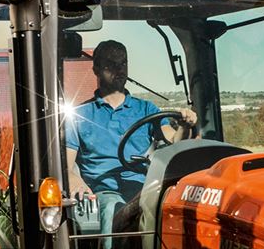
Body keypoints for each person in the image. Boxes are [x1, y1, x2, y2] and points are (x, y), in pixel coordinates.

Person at [65, 39, 195, 237]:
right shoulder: (81, 114)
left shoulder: (146, 109)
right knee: (113, 208)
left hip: (143, 188)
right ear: (96, 70)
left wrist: (185, 126)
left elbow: (173, 140)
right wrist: (75, 181)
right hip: (104, 191)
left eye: (123, 63)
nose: (120, 69)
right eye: (112, 64)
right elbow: (67, 167)